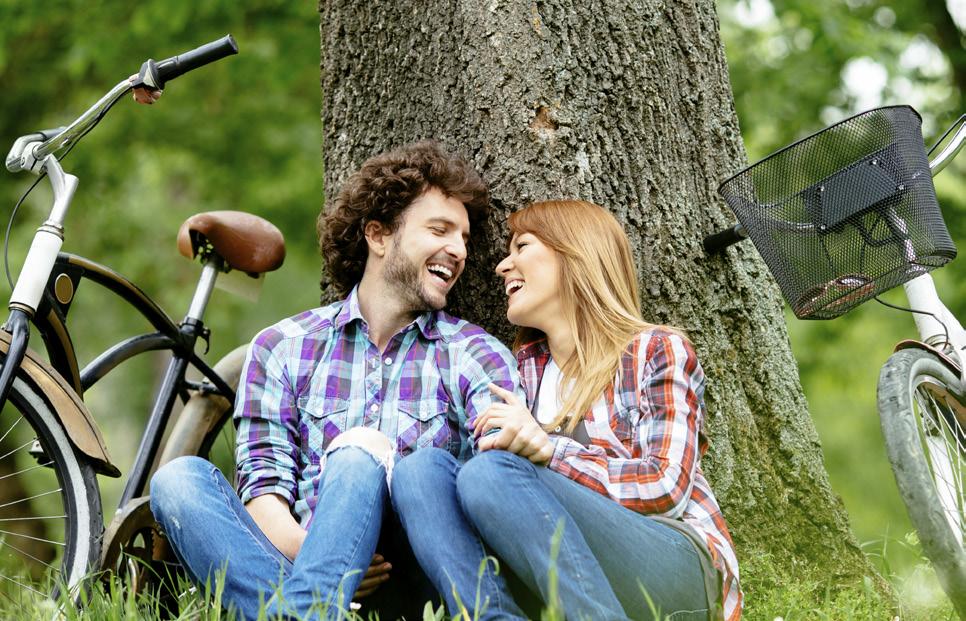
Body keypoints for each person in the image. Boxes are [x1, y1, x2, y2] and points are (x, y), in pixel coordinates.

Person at [149, 141, 527, 620]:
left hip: (408, 578)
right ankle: (310, 607)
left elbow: (493, 482)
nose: (458, 250)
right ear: (378, 235)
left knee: (358, 452)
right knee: (177, 480)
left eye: (465, 239)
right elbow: (264, 486)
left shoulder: (475, 354)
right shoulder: (281, 346)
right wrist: (324, 553)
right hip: (294, 558)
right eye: (439, 229)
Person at [391, 200, 743, 620]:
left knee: (492, 472)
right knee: (421, 471)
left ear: (575, 251)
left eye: (522, 246)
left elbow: (664, 487)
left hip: (670, 565)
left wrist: (549, 450)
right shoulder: (521, 369)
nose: (503, 266)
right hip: (556, 577)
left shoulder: (655, 350)